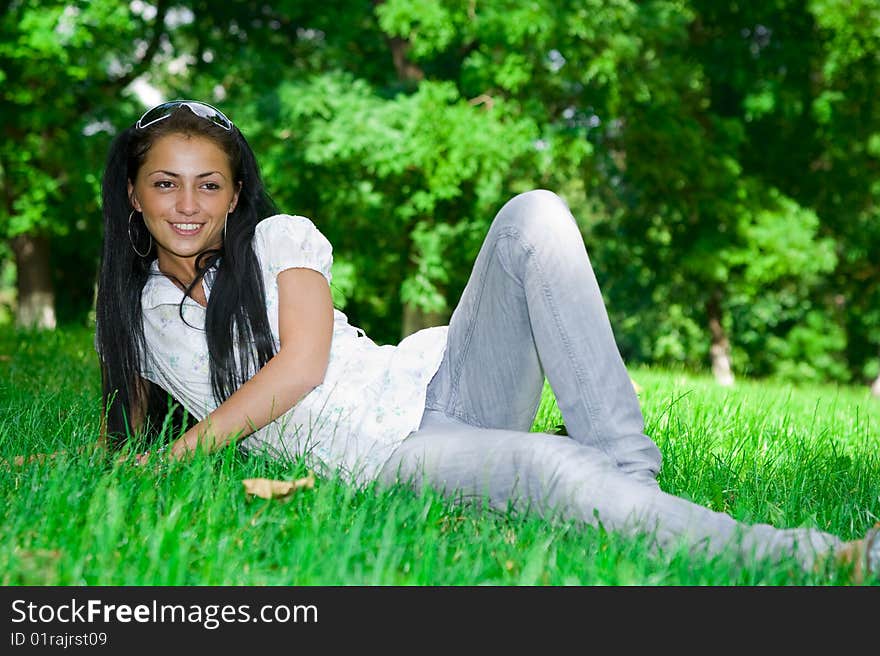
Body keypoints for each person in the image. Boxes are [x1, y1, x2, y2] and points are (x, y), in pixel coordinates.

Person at [94, 99, 878, 581]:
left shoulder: (277, 243)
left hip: (438, 388)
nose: (187, 203)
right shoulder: (134, 311)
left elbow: (300, 366)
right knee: (555, 467)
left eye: (210, 184)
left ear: (236, 196)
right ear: (133, 194)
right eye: (166, 183)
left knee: (533, 213)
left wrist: (178, 455)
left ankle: (639, 482)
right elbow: (124, 433)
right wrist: (123, 460)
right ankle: (800, 552)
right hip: (380, 459)